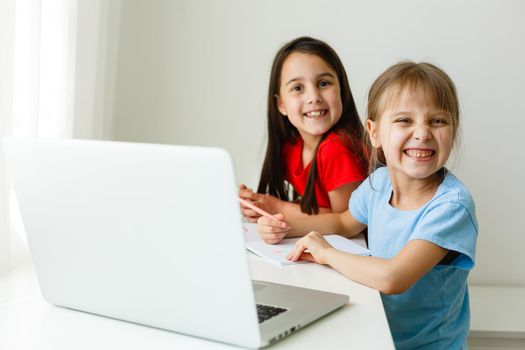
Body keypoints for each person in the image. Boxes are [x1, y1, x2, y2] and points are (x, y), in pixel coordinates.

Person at [258, 61, 478, 349]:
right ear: (374, 133)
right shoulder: (380, 182)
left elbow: (393, 277)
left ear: (453, 128)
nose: (423, 133)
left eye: (437, 121)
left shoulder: (451, 207)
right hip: (377, 333)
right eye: (404, 120)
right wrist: (285, 227)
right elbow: (343, 222)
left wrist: (327, 253)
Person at [239, 37, 368, 222]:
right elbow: (317, 207)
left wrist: (277, 207)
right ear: (281, 104)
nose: (313, 97)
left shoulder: (335, 149)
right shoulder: (290, 147)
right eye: (298, 88)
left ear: (342, 90)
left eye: (323, 83)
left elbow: (348, 223)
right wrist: (257, 202)